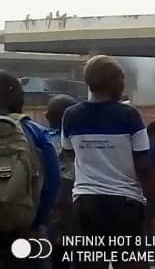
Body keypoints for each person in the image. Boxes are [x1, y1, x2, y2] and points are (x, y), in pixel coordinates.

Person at [62, 56, 155, 269]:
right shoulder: (129, 115)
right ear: (110, 81)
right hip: (125, 207)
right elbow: (144, 167)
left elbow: (69, 155)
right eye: (121, 79)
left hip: (86, 205)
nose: (123, 84)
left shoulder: (70, 116)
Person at [0, 71, 60, 269]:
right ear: (11, 93)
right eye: (20, 93)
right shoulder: (34, 131)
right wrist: (38, 223)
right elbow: (52, 182)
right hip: (23, 229)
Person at [46, 94, 78, 269]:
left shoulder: (38, 138)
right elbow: (66, 181)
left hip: (42, 217)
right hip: (67, 217)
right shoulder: (74, 143)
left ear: (47, 116)